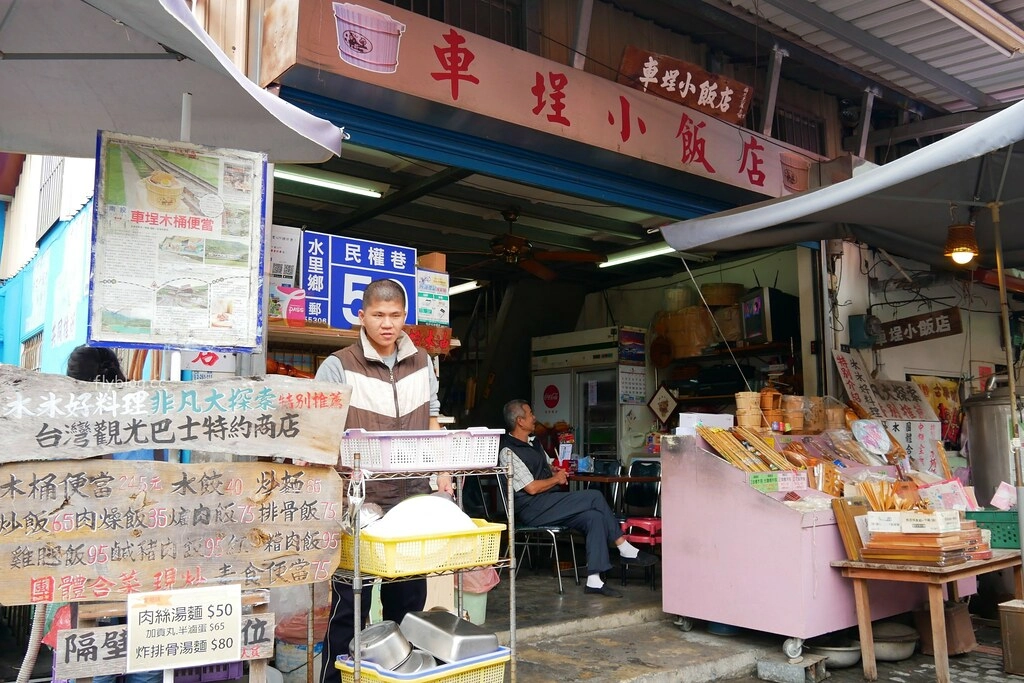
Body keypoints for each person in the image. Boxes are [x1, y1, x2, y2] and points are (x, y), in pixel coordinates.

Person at [317, 279, 451, 682]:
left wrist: (441, 469)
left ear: (404, 317)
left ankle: (399, 678)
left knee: (408, 605)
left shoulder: (422, 361)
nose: (387, 324)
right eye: (378, 315)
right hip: (357, 505)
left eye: (394, 316)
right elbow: (321, 430)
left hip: (411, 503)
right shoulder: (338, 365)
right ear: (362, 316)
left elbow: (432, 419)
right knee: (349, 606)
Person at [61, 345, 160, 683]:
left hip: (93, 563)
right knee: (144, 657)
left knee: (97, 660)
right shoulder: (144, 417)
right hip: (146, 558)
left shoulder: (76, 425)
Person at [499, 399, 657, 598]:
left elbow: (547, 464)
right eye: (530, 414)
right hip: (532, 510)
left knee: (594, 518)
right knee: (595, 497)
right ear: (520, 421)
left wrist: (554, 468)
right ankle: (624, 548)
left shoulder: (534, 443)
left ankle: (594, 580)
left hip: (549, 504)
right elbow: (530, 488)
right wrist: (556, 479)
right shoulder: (508, 451)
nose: (535, 417)